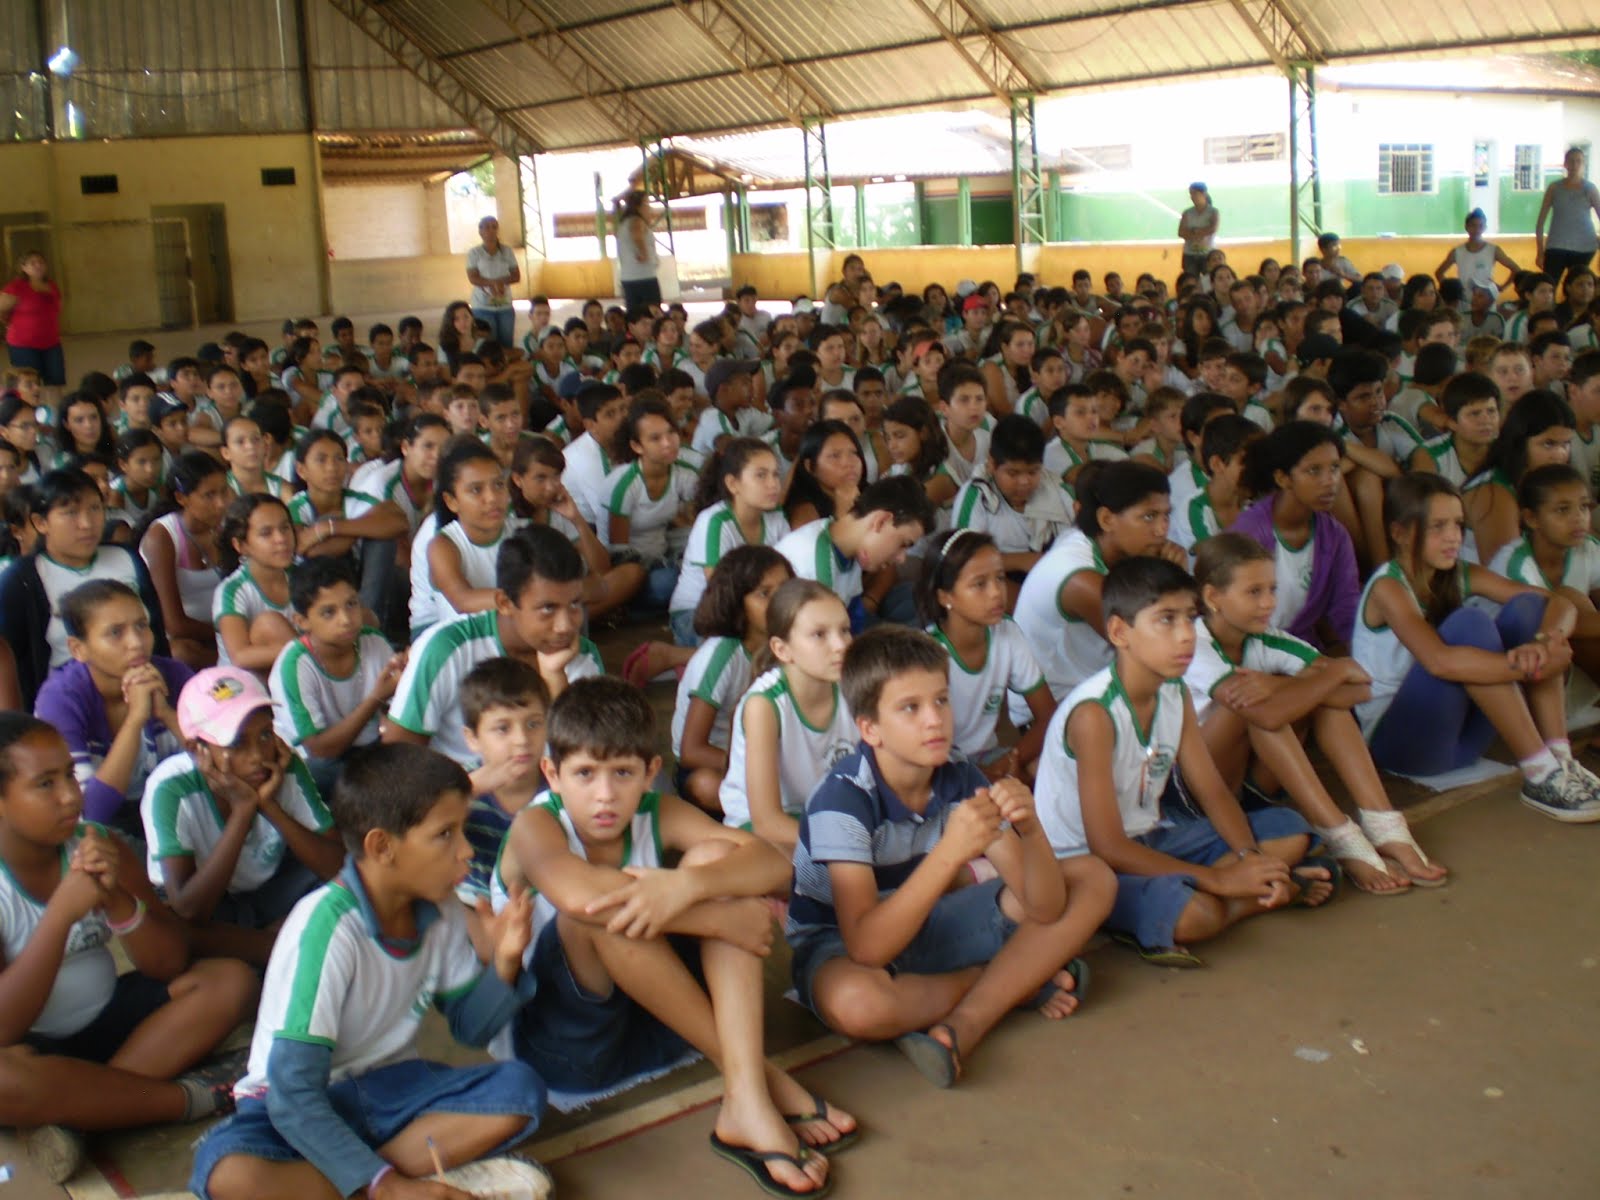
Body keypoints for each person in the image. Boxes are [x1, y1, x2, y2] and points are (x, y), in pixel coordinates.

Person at [496, 678, 851, 1196]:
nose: (604, 794)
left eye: (623, 773)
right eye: (585, 774)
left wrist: (688, 886)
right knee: (601, 912)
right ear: (552, 773)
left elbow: (775, 866)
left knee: (715, 862)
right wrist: (713, 919)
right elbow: (578, 897)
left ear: (650, 772)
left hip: (664, 1023)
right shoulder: (535, 824)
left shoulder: (656, 811)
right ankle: (759, 1082)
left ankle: (746, 1099)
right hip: (574, 1048)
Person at [188, 742, 550, 1200]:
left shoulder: (441, 909)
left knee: (520, 1090)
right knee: (227, 1172)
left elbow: (471, 1029)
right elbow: (292, 1095)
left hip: (389, 1091)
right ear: (382, 846)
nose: (465, 851)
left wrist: (505, 960)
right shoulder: (327, 928)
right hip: (293, 1107)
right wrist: (387, 1185)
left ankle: (348, 1183)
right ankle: (392, 1181)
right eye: (445, 834)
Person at [788, 626, 1112, 1088]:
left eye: (941, 700)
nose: (934, 720)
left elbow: (1043, 907)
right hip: (839, 946)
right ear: (870, 729)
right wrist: (950, 852)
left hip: (928, 924)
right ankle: (1012, 983)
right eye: (910, 708)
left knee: (1092, 877)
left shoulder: (958, 774)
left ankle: (964, 1023)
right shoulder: (841, 800)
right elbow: (866, 947)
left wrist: (1032, 830)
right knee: (859, 1006)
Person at [1034, 556, 1330, 970]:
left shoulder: (1174, 692)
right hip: (1086, 866)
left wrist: (1249, 859)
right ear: (1119, 632)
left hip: (1152, 837)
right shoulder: (1094, 715)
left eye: (1190, 618)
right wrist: (1222, 879)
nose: (1186, 635)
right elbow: (1108, 846)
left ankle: (1242, 888)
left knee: (1289, 829)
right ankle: (1246, 895)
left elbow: (1213, 792)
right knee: (1196, 915)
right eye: (1166, 620)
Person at [0, 712, 258, 1185]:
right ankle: (188, 1099)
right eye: (45, 784)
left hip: (113, 1024)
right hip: (32, 1050)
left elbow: (169, 962)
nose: (70, 795)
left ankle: (80, 1120)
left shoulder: (96, 843)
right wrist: (60, 915)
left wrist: (118, 900)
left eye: (69, 776)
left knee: (229, 980)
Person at [1188, 533, 1445, 892]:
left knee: (1322, 701)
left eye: (1273, 590)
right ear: (1213, 597)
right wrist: (1332, 672)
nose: (1268, 603)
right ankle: (1339, 834)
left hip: (1252, 784)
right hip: (1198, 792)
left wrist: (1282, 682)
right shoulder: (1193, 646)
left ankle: (1382, 822)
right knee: (1257, 709)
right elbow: (1268, 715)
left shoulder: (1267, 639)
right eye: (1254, 592)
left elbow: (1360, 689)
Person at [1353, 472, 1600, 822]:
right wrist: (1529, 665)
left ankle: (1560, 759)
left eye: (1458, 524)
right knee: (1470, 625)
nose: (1453, 537)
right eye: (1438, 526)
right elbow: (1439, 662)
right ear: (1400, 533)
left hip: (1462, 742)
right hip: (1404, 746)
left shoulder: (1461, 572)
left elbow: (1560, 604)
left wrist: (1546, 643)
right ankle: (1539, 771)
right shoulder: (1388, 587)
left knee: (1529, 608)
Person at [142, 667, 342, 965]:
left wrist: (270, 806)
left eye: (265, 735)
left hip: (270, 889)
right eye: (236, 743)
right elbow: (189, 909)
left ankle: (270, 948)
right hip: (214, 907)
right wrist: (243, 810)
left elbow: (337, 865)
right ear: (197, 749)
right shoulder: (171, 788)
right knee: (176, 930)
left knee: (355, 881)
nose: (258, 756)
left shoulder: (283, 764)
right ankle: (280, 947)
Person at [386, 526, 603, 765]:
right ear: (504, 603)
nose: (565, 626)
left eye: (575, 604)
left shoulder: (582, 656)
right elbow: (397, 760)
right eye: (548, 608)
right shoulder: (447, 647)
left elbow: (585, 762)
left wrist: (555, 678)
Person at [31, 580, 188, 845]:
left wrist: (166, 715)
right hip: (104, 829)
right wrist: (136, 720)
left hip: (174, 805)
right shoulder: (60, 701)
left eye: (142, 625)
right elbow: (89, 813)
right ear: (78, 649)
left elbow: (222, 766)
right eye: (116, 632)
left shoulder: (173, 676)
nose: (136, 643)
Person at [1014, 460, 1184, 705]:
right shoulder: (1081, 579)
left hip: (1085, 693)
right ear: (1106, 519)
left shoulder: (1091, 540)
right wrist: (1172, 580)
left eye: (1166, 515)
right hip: (1053, 708)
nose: (1161, 530)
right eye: (1148, 517)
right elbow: (1154, 649)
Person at [0, 468, 168, 708]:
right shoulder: (22, 579)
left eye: (95, 508)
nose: (87, 524)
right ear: (40, 522)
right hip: (70, 702)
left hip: (144, 687)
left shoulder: (126, 558)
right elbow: (13, 663)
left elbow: (156, 632)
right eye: (70, 513)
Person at [718, 579, 855, 856]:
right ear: (782, 649)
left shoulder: (853, 686)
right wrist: (851, 845)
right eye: (819, 634)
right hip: (769, 832)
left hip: (829, 815)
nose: (841, 645)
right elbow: (767, 823)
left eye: (844, 630)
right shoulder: (764, 705)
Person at [918, 529, 1053, 780]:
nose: (996, 592)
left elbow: (1048, 715)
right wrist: (983, 776)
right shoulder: (926, 654)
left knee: (1050, 768)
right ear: (945, 596)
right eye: (980, 584)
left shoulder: (1007, 633)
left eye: (1000, 578)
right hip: (940, 768)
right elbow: (919, 749)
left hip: (990, 755)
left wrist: (1009, 761)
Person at [269, 556, 406, 795]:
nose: (346, 619)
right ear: (302, 621)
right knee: (321, 773)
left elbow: (394, 712)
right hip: (320, 760)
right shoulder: (295, 665)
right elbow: (320, 750)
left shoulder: (373, 641)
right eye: (328, 612)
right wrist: (376, 698)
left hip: (368, 749)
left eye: (351, 604)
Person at [672, 547, 793, 814]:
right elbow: (691, 750)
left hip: (763, 754)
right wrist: (758, 766)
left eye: (785, 590)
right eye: (764, 594)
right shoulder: (722, 655)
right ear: (737, 602)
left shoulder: (787, 645)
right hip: (716, 761)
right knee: (705, 786)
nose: (778, 603)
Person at [1232, 422, 1359, 650]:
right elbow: (1231, 616)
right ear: (1283, 478)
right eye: (1314, 470)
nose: (1330, 481)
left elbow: (1346, 609)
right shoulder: (1249, 532)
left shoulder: (1335, 537)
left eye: (1334, 468)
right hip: (1248, 650)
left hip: (1301, 652)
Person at [669, 438, 788, 647]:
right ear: (733, 484)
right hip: (698, 611)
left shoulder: (776, 517)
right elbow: (720, 594)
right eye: (761, 475)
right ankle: (675, 656)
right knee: (743, 647)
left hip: (756, 607)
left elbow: (787, 573)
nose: (773, 484)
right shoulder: (715, 522)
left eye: (776, 474)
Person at [455, 658, 549, 919]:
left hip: (540, 909)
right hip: (469, 910)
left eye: (534, 724)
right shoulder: (457, 782)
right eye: (502, 728)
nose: (521, 740)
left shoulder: (560, 785)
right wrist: (470, 789)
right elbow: (415, 818)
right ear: (472, 738)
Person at [776, 475, 934, 623]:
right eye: (903, 544)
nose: (901, 558)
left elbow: (854, 618)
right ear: (880, 521)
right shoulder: (809, 564)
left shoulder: (852, 550)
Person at [604, 394, 700, 610]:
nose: (668, 443)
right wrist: (664, 565)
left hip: (664, 554)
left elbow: (701, 518)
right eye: (655, 438)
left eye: (671, 433)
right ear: (637, 446)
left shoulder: (684, 474)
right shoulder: (625, 485)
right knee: (668, 582)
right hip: (629, 571)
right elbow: (617, 553)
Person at [428, 440, 512, 628]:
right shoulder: (443, 546)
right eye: (476, 490)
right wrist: (530, 601)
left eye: (499, 485)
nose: (492, 498)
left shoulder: (524, 532)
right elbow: (464, 600)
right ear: (451, 501)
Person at [212, 494, 296, 673]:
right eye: (266, 533)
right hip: (243, 683)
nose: (281, 539)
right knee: (270, 624)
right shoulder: (232, 590)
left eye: (285, 528)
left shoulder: (302, 575)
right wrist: (306, 648)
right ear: (241, 545)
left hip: (287, 672)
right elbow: (240, 656)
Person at [1535, 147, 1600, 290]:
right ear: (1565, 164)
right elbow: (1540, 222)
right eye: (1571, 161)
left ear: (1583, 164)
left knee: (1578, 287)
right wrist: (1540, 251)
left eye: (1579, 161)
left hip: (1584, 247)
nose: (1575, 165)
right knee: (1549, 285)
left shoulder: (1590, 189)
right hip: (1556, 246)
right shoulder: (1554, 188)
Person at [0, 250, 64, 387]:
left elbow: (56, 309)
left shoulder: (52, 285)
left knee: (55, 382)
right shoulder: (15, 288)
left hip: (51, 342)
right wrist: (8, 323)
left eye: (41, 262)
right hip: (23, 344)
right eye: (32, 263)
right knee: (29, 383)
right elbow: (2, 310)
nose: (38, 265)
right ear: (23, 268)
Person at [466, 215, 520, 351]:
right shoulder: (474, 253)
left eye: (494, 227)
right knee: (488, 345)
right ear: (480, 231)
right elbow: (473, 278)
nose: (491, 231)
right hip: (482, 306)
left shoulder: (507, 251)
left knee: (506, 343)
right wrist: (493, 283)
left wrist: (501, 282)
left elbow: (516, 275)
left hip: (505, 305)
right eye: (487, 227)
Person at [1436, 208, 1520, 293]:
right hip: (1464, 299)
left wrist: (1502, 287)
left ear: (1485, 228)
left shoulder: (1493, 250)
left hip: (1487, 299)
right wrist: (1452, 291)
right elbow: (1439, 273)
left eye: (1480, 226)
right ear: (1466, 227)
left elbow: (1516, 269)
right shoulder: (1457, 252)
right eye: (1473, 225)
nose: (1477, 230)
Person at [615, 190, 663, 310]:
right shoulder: (637, 220)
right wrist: (644, 254)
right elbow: (637, 236)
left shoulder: (623, 223)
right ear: (638, 206)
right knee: (652, 313)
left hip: (628, 277)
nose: (649, 208)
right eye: (646, 204)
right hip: (643, 277)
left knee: (634, 314)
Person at [1178, 183, 1220, 280]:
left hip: (1208, 254)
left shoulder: (1213, 212)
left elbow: (1213, 228)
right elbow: (1180, 232)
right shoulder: (1187, 213)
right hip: (1190, 254)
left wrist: (1193, 233)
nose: (1192, 197)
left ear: (1204, 194)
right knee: (1190, 280)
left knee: (1209, 280)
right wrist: (1199, 233)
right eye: (1191, 194)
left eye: (1194, 193)